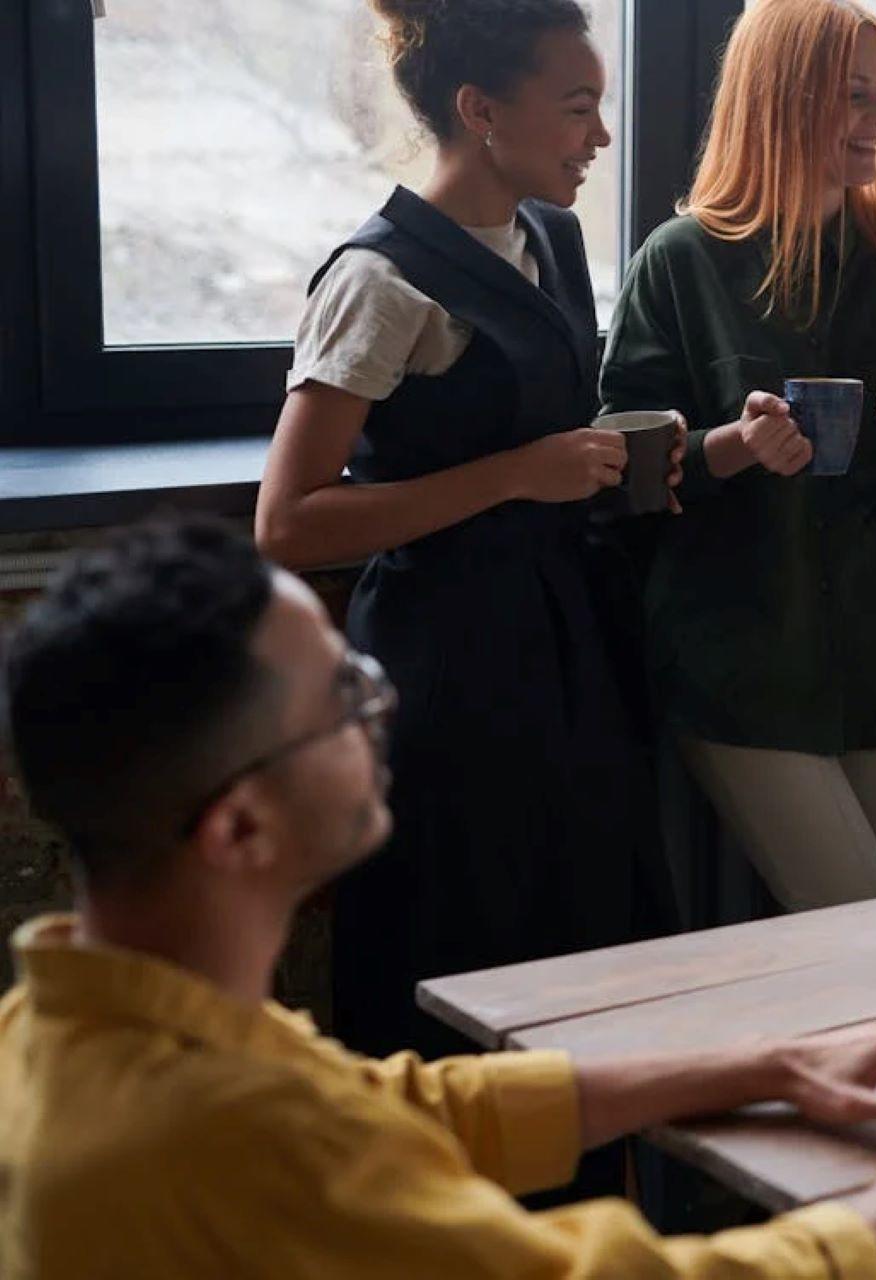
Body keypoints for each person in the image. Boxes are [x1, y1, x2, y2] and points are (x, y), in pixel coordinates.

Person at [0, 518, 876, 1279]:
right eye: (345, 691)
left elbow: (398, 1107)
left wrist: (776, 1066)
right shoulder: (221, 1136)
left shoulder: (65, 1023)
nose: (383, 704)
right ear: (239, 826)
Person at [255, 0, 681, 1057]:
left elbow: (548, 446)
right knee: (464, 954)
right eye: (579, 107)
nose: (602, 137)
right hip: (448, 672)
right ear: (480, 109)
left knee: (585, 956)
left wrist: (630, 462)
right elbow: (288, 522)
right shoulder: (377, 280)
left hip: (570, 648)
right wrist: (519, 475)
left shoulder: (553, 233)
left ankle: (580, 1209)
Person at [599, 0, 876, 913]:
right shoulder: (678, 262)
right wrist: (730, 447)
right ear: (778, 98)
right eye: (855, 95)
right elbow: (622, 458)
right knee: (863, 937)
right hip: (741, 660)